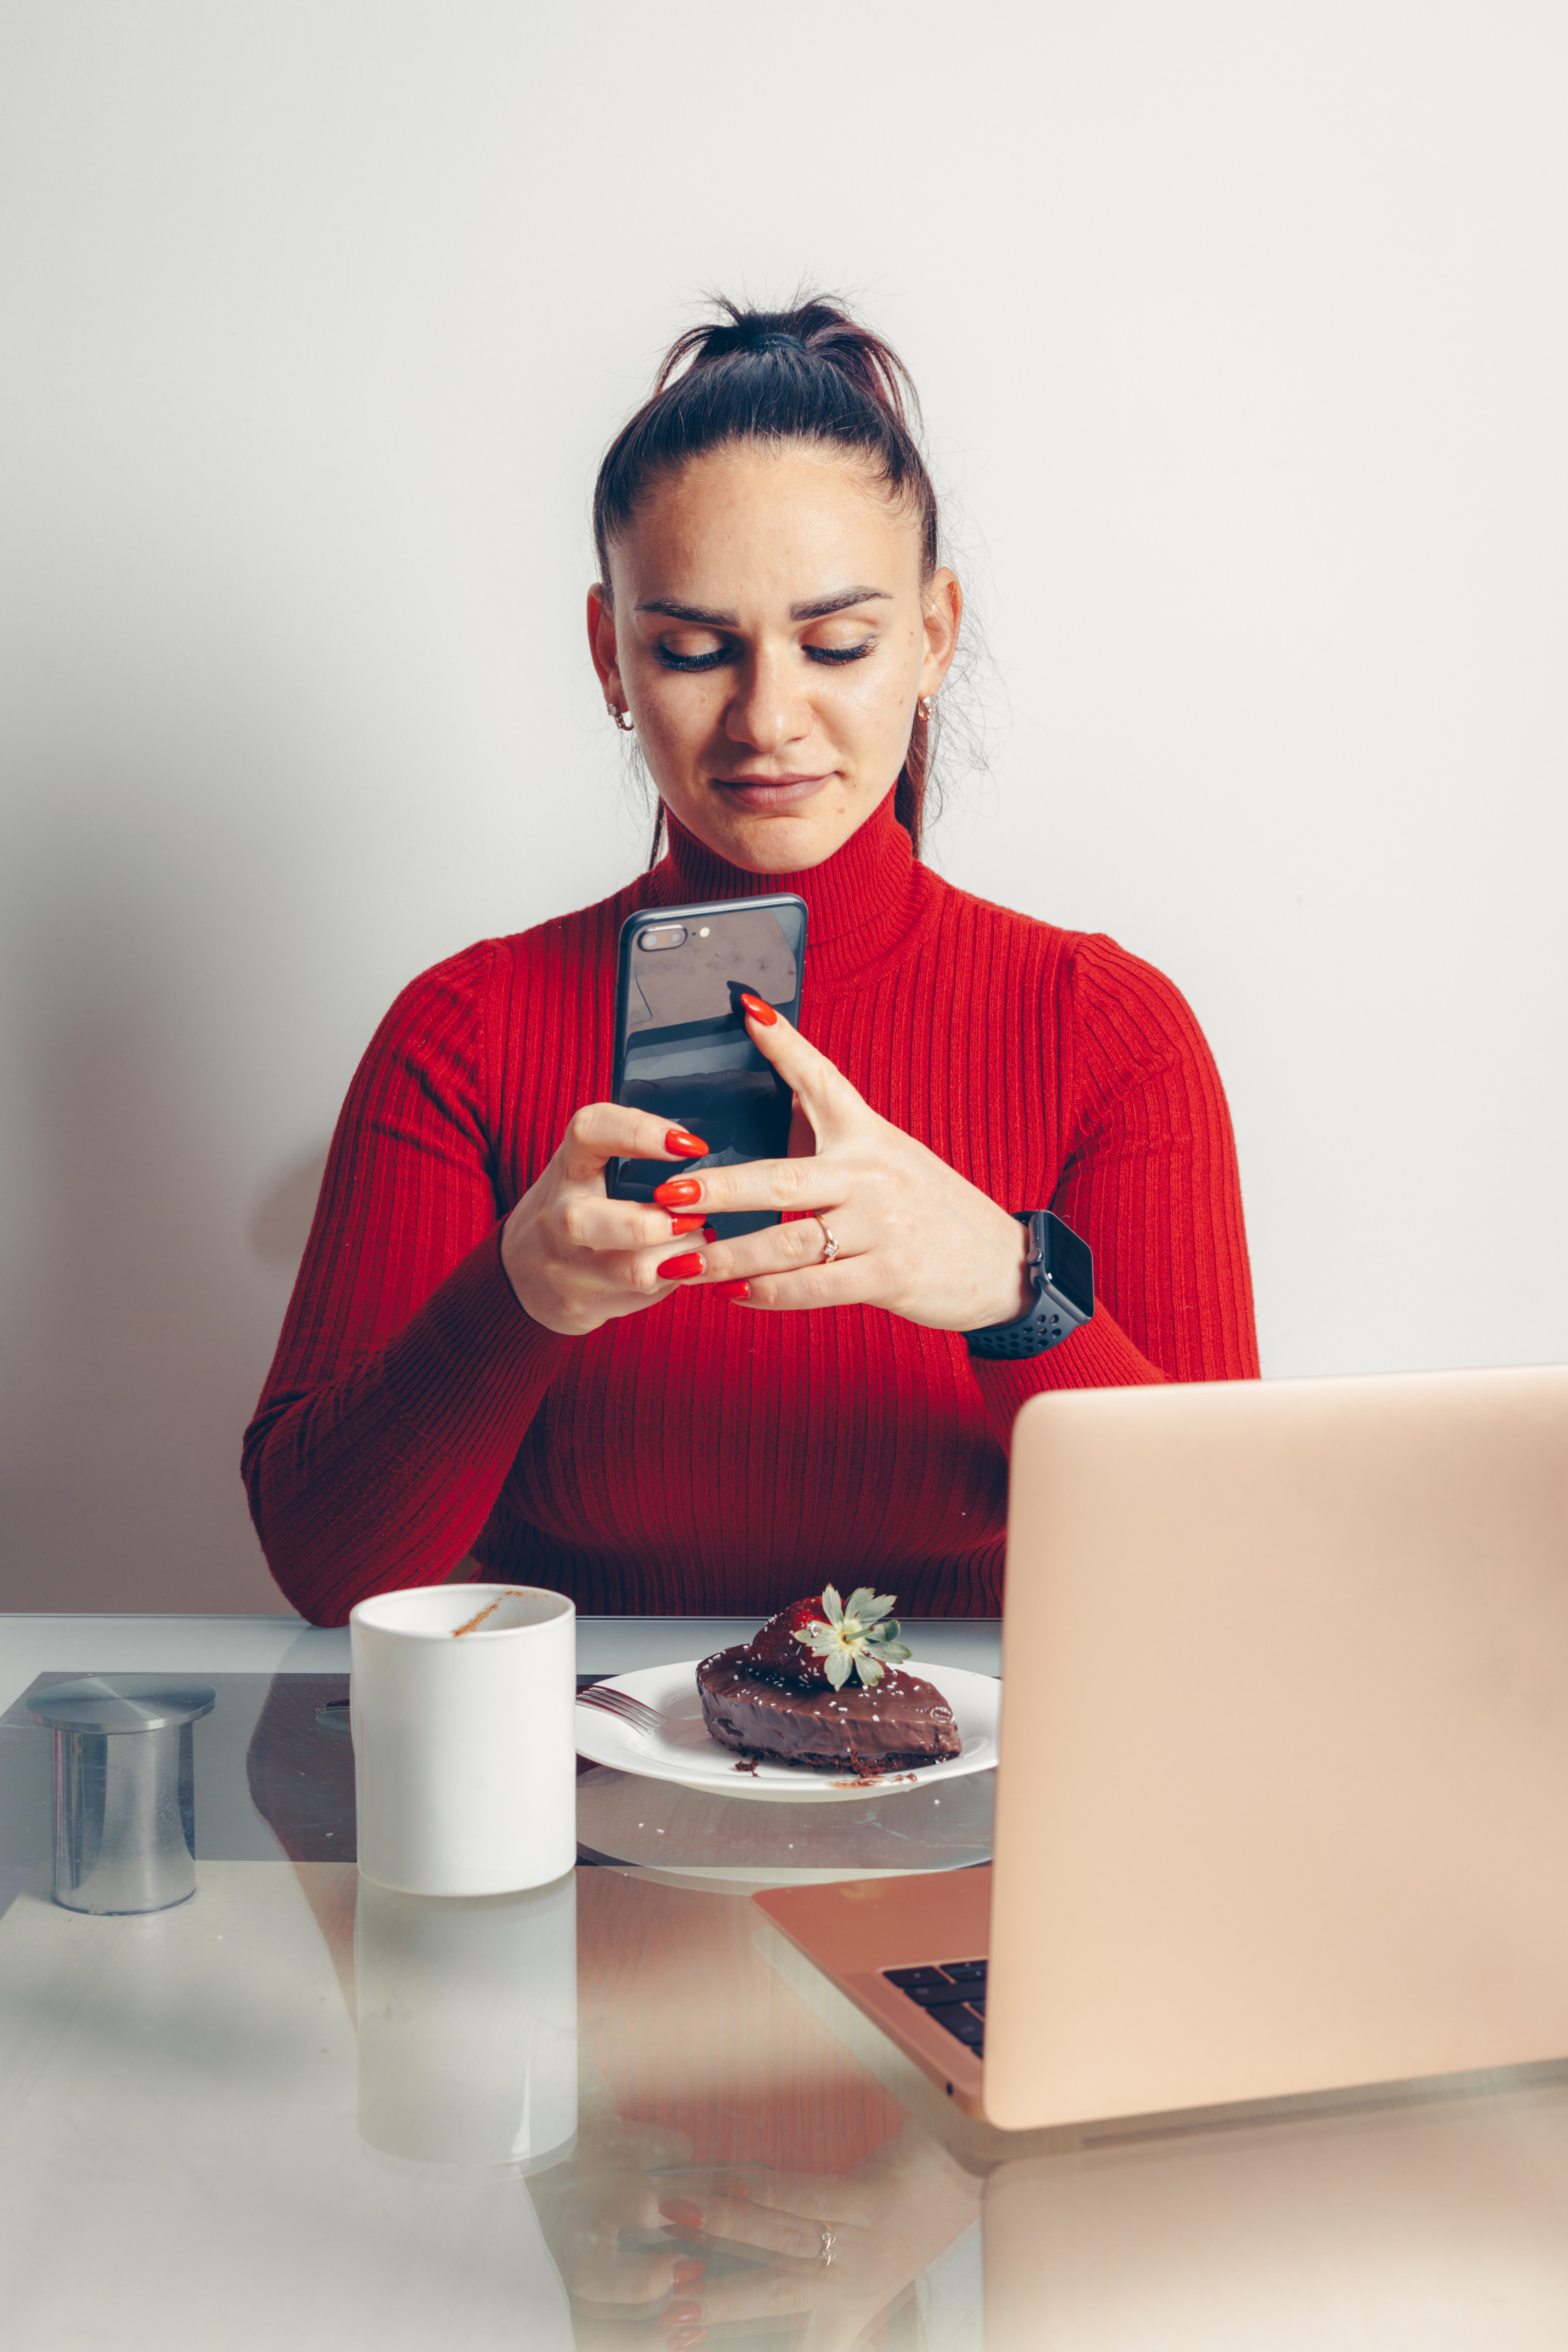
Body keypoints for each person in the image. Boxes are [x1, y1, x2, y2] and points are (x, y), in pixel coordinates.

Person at [244, 297, 1258, 1627]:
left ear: (935, 637)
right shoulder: (464, 1035)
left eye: (837, 644)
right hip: (577, 1811)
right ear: (611, 656)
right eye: (693, 650)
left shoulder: (1107, 1033)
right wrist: (517, 1293)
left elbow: (1231, 1580)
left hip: (993, 1807)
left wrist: (1015, 1295)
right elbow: (330, 1577)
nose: (771, 719)